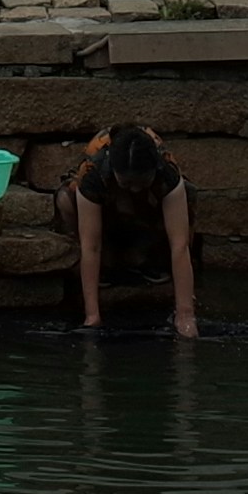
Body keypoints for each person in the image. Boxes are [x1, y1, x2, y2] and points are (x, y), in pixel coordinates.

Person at [64, 121, 201, 337]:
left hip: (148, 217)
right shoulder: (93, 172)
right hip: (107, 214)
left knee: (185, 198)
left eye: (141, 183)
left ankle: (151, 261)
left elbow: (180, 245)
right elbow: (91, 247)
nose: (135, 189)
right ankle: (107, 268)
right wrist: (92, 316)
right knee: (65, 200)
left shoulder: (166, 171)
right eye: (128, 184)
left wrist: (185, 315)